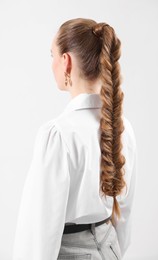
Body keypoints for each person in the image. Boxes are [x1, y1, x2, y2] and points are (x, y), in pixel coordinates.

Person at [12, 18, 137, 260]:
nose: (51, 64)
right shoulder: (123, 127)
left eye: (52, 55)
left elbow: (38, 231)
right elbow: (124, 216)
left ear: (66, 61)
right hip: (110, 250)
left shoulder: (57, 134)